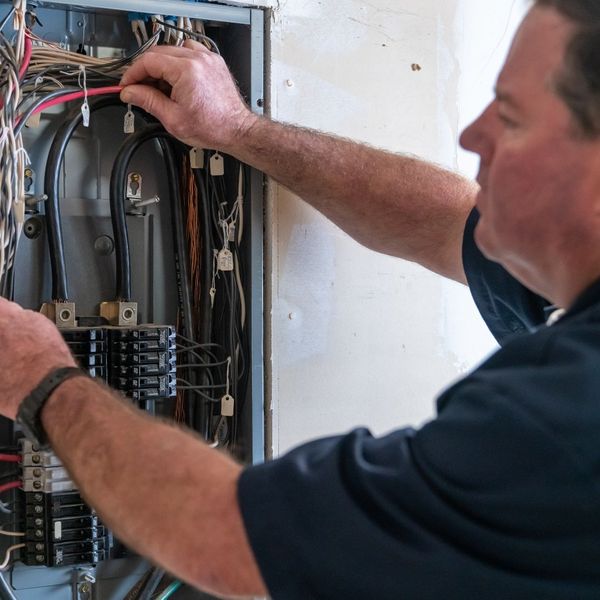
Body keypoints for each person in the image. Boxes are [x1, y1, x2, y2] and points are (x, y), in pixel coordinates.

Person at [1, 0, 599, 597]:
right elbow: (442, 222)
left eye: (513, 118)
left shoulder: (563, 419)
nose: (473, 134)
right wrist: (237, 129)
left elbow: (227, 537)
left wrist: (41, 379)